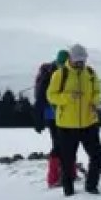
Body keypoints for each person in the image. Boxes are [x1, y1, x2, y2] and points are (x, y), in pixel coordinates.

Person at [46, 43, 101, 196]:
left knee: (97, 155)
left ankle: (92, 186)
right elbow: (51, 95)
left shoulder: (91, 73)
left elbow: (97, 91)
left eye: (82, 60)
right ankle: (68, 190)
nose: (80, 63)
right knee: (67, 159)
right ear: (70, 59)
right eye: (77, 60)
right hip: (66, 125)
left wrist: (96, 102)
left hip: (89, 123)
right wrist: (68, 97)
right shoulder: (60, 74)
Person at [33, 49, 70, 188]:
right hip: (52, 114)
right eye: (62, 63)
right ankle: (54, 178)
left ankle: (64, 174)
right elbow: (41, 98)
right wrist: (38, 119)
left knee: (67, 144)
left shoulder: (62, 72)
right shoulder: (49, 75)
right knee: (59, 144)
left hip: (65, 113)